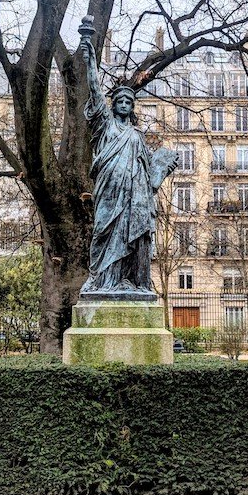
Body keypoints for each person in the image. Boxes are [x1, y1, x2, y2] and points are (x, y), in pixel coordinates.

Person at [78, 18, 176, 296]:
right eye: (119, 101)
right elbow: (95, 92)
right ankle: (101, 280)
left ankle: (128, 281)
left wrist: (160, 169)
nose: (123, 104)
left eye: (128, 102)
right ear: (113, 106)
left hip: (134, 197)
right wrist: (90, 60)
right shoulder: (105, 125)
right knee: (103, 234)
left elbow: (146, 173)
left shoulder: (136, 135)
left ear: (132, 107)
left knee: (130, 238)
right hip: (109, 192)